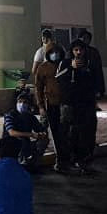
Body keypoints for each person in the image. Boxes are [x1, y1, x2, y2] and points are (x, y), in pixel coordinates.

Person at [57, 39, 97, 172]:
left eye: (81, 50)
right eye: (76, 50)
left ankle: (83, 158)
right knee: (69, 133)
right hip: (69, 104)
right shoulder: (65, 63)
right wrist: (71, 68)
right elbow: (58, 78)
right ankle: (67, 160)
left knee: (84, 132)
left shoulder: (89, 64)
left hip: (85, 104)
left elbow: (94, 82)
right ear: (72, 51)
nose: (78, 53)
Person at [35, 44, 72, 173]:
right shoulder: (43, 68)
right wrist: (40, 106)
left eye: (57, 52)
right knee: (52, 133)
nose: (55, 54)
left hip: (65, 104)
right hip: (50, 104)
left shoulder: (66, 65)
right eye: (52, 52)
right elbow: (38, 87)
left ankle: (64, 160)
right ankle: (35, 160)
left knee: (65, 133)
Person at [2, 94, 48, 170]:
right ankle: (19, 166)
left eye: (25, 102)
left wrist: (42, 133)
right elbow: (11, 132)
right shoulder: (10, 115)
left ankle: (33, 165)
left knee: (43, 141)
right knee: (21, 141)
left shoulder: (30, 116)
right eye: (20, 102)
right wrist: (30, 134)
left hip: (26, 143)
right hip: (10, 144)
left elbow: (40, 129)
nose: (22, 104)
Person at [78, 30, 105, 99]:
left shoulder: (93, 51)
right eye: (84, 38)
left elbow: (98, 68)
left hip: (92, 76)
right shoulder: (76, 50)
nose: (85, 40)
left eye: (87, 38)